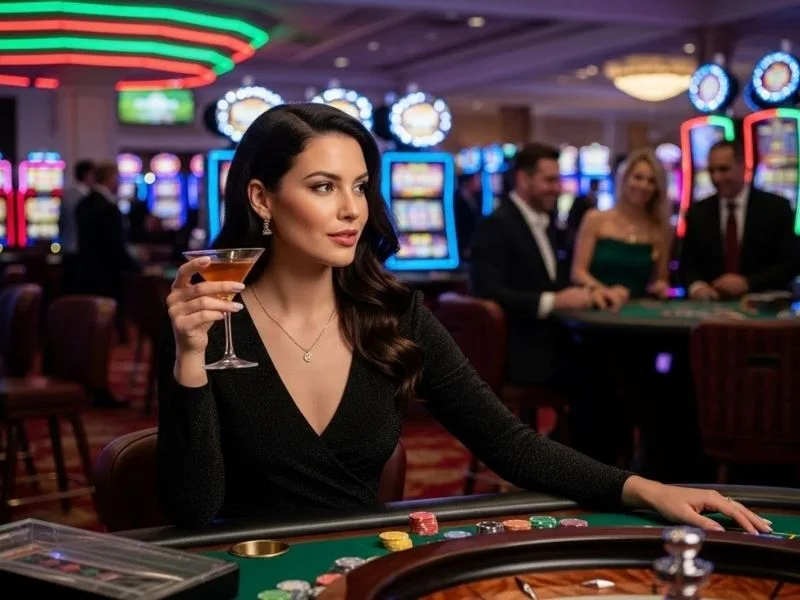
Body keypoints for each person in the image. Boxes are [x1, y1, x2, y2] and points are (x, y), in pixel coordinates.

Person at [158, 104, 769, 535]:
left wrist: (646, 488)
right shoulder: (211, 320)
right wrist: (189, 359)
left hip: (364, 568)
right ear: (261, 198)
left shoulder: (394, 316)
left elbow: (507, 442)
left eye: (361, 186)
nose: (352, 210)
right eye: (323, 187)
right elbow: (193, 508)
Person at [470, 143, 599, 387]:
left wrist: (592, 292)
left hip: (550, 341)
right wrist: (553, 302)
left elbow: (552, 282)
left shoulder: (545, 220)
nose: (557, 189)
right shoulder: (496, 224)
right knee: (603, 369)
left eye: (558, 180)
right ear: (523, 179)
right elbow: (487, 291)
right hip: (519, 351)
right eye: (549, 181)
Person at [680, 140, 798, 299]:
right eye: (711, 170)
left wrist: (748, 283)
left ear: (742, 166)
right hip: (712, 306)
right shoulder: (697, 212)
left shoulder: (776, 207)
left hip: (764, 304)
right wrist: (698, 287)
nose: (716, 177)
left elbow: (790, 264)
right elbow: (687, 266)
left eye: (724, 169)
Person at [571, 149, 671, 308]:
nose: (644, 185)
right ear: (624, 179)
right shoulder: (595, 219)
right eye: (638, 177)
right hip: (597, 306)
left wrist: (661, 286)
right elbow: (578, 272)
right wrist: (605, 292)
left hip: (639, 310)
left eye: (651, 181)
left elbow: (661, 279)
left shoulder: (659, 229)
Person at [60, 160, 95, 294]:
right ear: (87, 175)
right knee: (77, 291)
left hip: (67, 248)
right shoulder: (84, 197)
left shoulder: (68, 194)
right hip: (78, 250)